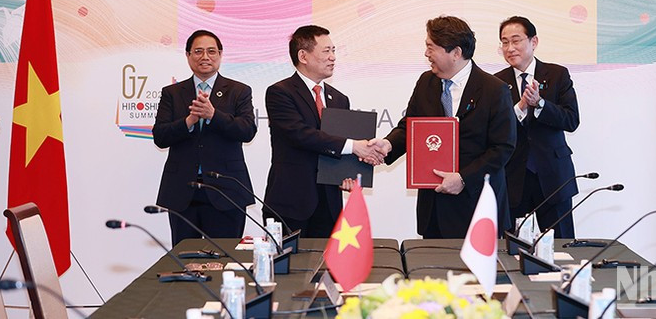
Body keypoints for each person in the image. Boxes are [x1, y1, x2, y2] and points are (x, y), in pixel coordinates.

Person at [373, 16, 516, 238]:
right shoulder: (426, 83)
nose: (426, 54)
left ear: (456, 53)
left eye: (431, 47)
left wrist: (463, 178)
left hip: (477, 206)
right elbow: (409, 127)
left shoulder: (493, 90)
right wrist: (389, 144)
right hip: (435, 208)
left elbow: (503, 148)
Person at [263, 25, 384, 238]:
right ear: (303, 56)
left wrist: (347, 175)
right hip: (291, 201)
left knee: (325, 268)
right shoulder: (280, 93)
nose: (333, 57)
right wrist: (355, 146)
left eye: (334, 51)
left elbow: (336, 144)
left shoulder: (339, 98)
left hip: (329, 203)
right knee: (289, 268)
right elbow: (300, 134)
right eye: (326, 51)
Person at [153, 30, 257, 246]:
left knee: (226, 260)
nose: (205, 57)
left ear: (220, 54)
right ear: (188, 55)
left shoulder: (239, 91)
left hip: (225, 190)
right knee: (184, 262)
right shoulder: (172, 93)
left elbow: (247, 131)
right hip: (183, 191)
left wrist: (213, 115)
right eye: (198, 51)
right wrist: (189, 121)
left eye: (211, 51)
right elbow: (160, 136)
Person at [494, 16, 580, 238]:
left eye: (516, 40)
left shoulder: (557, 74)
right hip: (513, 178)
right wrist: (521, 107)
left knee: (561, 248)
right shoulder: (495, 83)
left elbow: (571, 120)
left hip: (552, 176)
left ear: (534, 41)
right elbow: (495, 130)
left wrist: (540, 104)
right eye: (504, 42)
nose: (510, 48)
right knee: (510, 249)